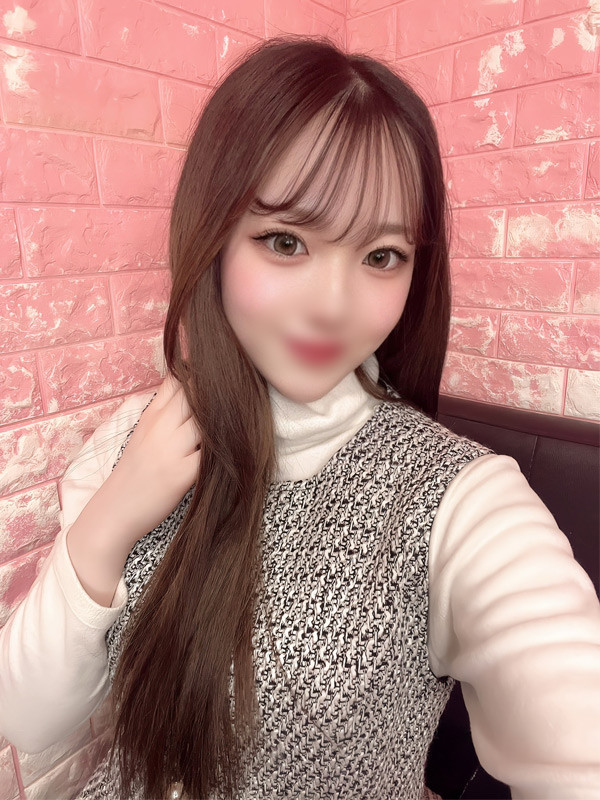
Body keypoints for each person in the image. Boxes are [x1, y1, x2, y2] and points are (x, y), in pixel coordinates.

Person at [1, 34, 599, 800]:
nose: (332, 307)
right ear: (213, 237)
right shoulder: (133, 441)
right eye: (285, 241)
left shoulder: (456, 500)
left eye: (381, 256)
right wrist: (115, 514)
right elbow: (28, 718)